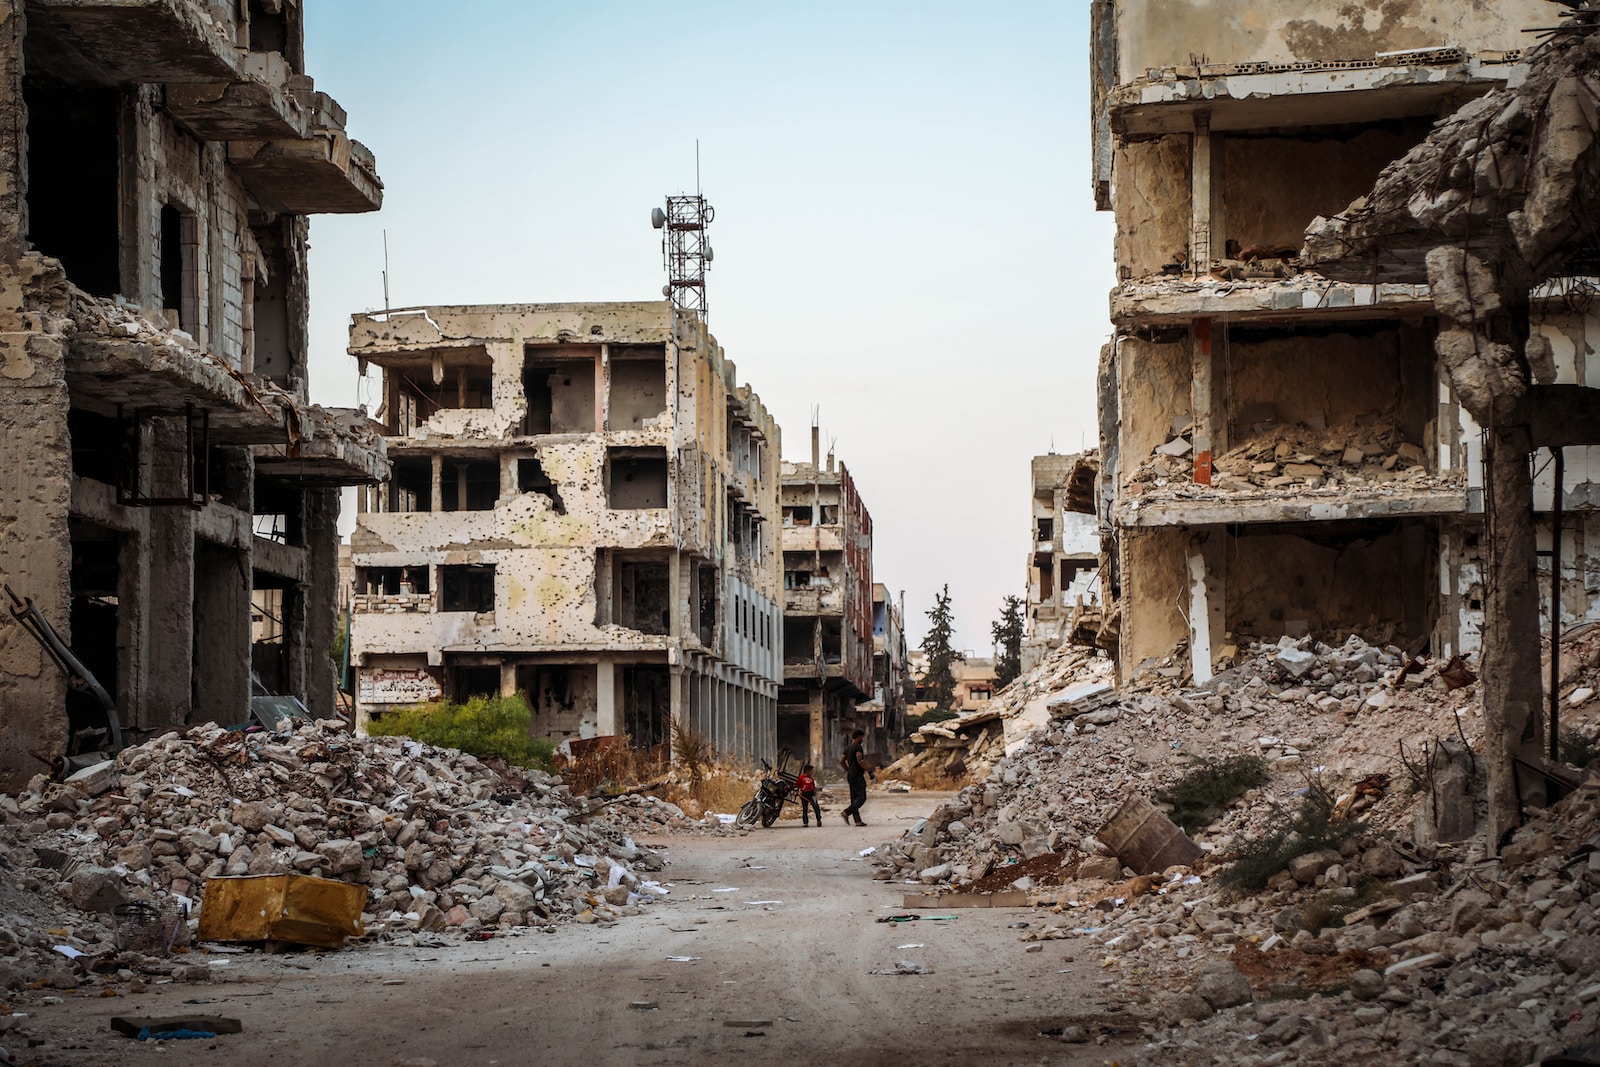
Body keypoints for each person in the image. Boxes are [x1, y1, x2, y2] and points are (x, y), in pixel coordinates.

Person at [839, 729, 872, 826]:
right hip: (857, 775)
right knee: (862, 797)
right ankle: (846, 812)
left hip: (850, 774)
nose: (862, 739)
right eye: (862, 737)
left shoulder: (848, 747)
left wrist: (848, 770)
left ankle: (857, 821)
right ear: (858, 736)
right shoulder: (857, 747)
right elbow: (860, 761)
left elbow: (841, 761)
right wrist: (869, 771)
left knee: (854, 798)